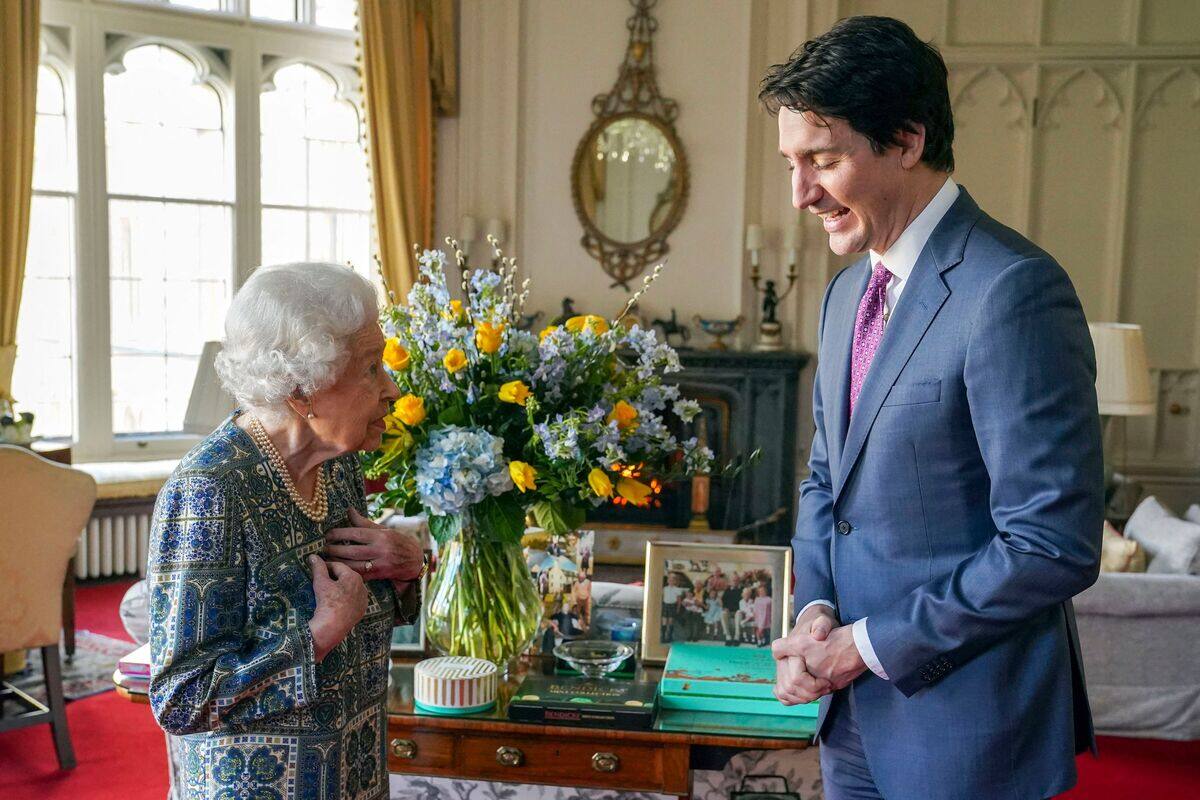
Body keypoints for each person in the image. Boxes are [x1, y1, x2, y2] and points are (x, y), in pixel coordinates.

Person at [761, 16, 1103, 800]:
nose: (801, 193)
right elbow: (825, 484)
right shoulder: (848, 293)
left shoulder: (1013, 290)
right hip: (850, 721)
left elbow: (1052, 543)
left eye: (823, 159)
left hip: (971, 732)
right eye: (791, 163)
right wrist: (816, 613)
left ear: (907, 141)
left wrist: (867, 646)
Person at [147, 262, 427, 800]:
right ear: (304, 390)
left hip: (356, 775)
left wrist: (407, 566)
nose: (391, 389)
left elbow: (363, 605)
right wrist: (319, 634)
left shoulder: (337, 462)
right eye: (371, 368)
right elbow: (182, 699)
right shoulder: (211, 491)